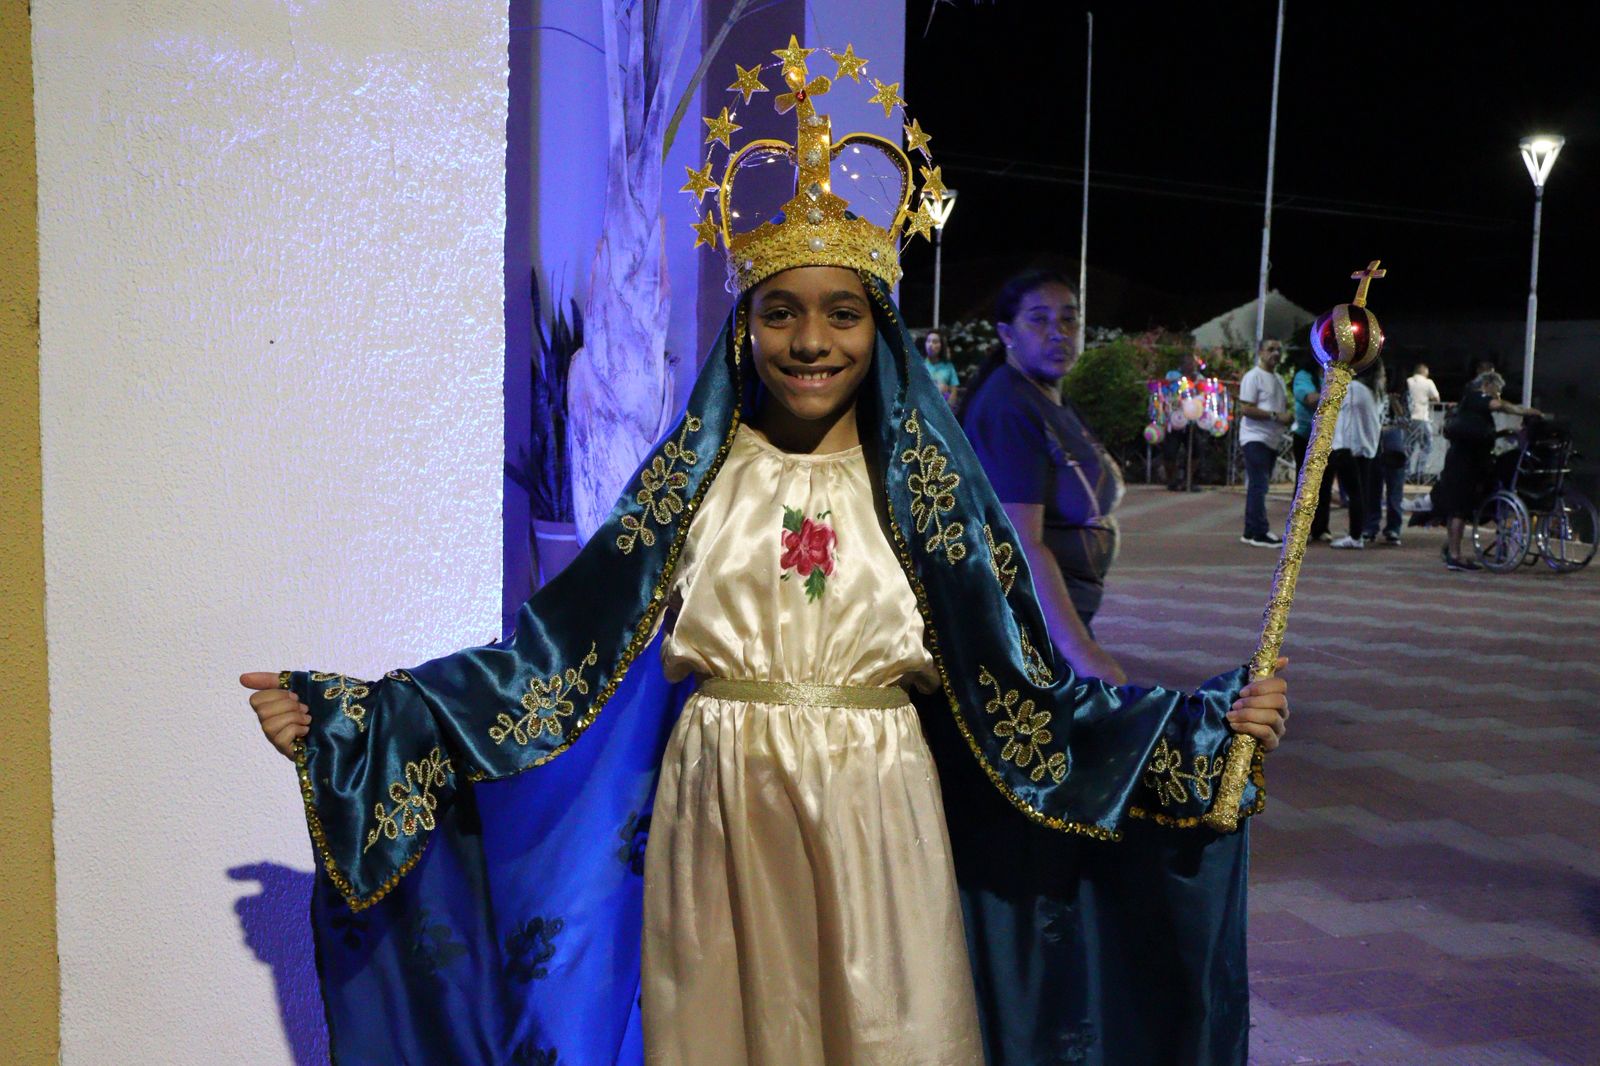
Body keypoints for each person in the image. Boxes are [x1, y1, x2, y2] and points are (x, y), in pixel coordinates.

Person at [239, 45, 1289, 1066]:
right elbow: (548, 660)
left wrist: (1200, 728)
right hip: (719, 809)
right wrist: (363, 723)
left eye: (841, 313)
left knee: (891, 1031)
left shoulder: (928, 497)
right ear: (744, 330)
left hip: (880, 805)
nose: (809, 340)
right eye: (779, 313)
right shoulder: (690, 484)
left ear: (878, 330)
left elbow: (1033, 696)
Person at [960, 269, 1127, 684]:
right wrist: (1081, 652)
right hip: (1030, 630)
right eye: (1039, 318)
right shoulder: (1009, 407)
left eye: (1069, 319)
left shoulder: (1049, 397)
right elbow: (1021, 544)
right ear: (1006, 332)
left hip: (1059, 618)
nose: (1059, 332)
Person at [1434, 370, 1542, 571]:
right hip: (1463, 462)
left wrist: (1504, 433)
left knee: (1462, 507)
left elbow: (1481, 430)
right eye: (1497, 390)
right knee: (1459, 508)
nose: (1498, 395)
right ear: (1488, 385)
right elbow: (1499, 406)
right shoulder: (1477, 397)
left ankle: (1451, 549)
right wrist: (1525, 411)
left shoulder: (1472, 407)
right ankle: (1455, 557)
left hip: (1470, 460)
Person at [1235, 339, 1292, 547]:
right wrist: (1276, 416)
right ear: (1260, 352)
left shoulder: (1278, 379)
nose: (1275, 353)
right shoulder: (1253, 377)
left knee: (1258, 486)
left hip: (1271, 440)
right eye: (1270, 349)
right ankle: (1260, 531)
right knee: (1259, 484)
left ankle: (1250, 531)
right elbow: (1247, 408)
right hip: (1254, 437)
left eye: (1278, 349)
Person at [1328, 359, 1380, 549]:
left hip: (1349, 448)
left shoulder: (1352, 389)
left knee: (1354, 493)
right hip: (1365, 449)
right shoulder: (1371, 392)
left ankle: (1355, 535)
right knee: (1360, 493)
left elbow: (1344, 421)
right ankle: (1357, 532)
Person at [1290, 350, 1335, 543]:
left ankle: (1320, 528)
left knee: (1325, 486)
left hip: (1327, 438)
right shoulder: (1303, 376)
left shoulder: (1328, 375)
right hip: (1306, 437)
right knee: (1304, 486)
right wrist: (1335, 391)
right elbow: (1309, 398)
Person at [1365, 377, 1409, 545]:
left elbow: (1406, 420)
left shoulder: (1402, 395)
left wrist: (1394, 402)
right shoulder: (1370, 393)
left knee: (1394, 489)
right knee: (1373, 487)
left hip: (1394, 443)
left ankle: (1393, 528)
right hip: (1374, 441)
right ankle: (1370, 526)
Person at [1162, 350, 1206, 491]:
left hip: (1192, 420)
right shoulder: (1173, 376)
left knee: (1196, 450)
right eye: (1188, 363)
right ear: (1182, 365)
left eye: (1193, 363)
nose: (1191, 366)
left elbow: (1203, 394)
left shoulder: (1199, 378)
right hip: (1176, 418)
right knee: (1170, 452)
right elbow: (1167, 392)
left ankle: (1188, 480)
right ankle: (1172, 480)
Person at [1404, 361, 1440, 480]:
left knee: (1409, 446)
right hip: (1422, 418)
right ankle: (1419, 473)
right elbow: (1436, 398)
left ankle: (1406, 474)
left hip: (1409, 419)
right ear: (1424, 372)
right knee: (1427, 445)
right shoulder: (1428, 382)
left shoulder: (1408, 381)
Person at [921, 326, 961, 404]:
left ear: (941, 345)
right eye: (928, 341)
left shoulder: (948, 366)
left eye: (935, 342)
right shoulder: (918, 365)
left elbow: (954, 393)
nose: (930, 345)